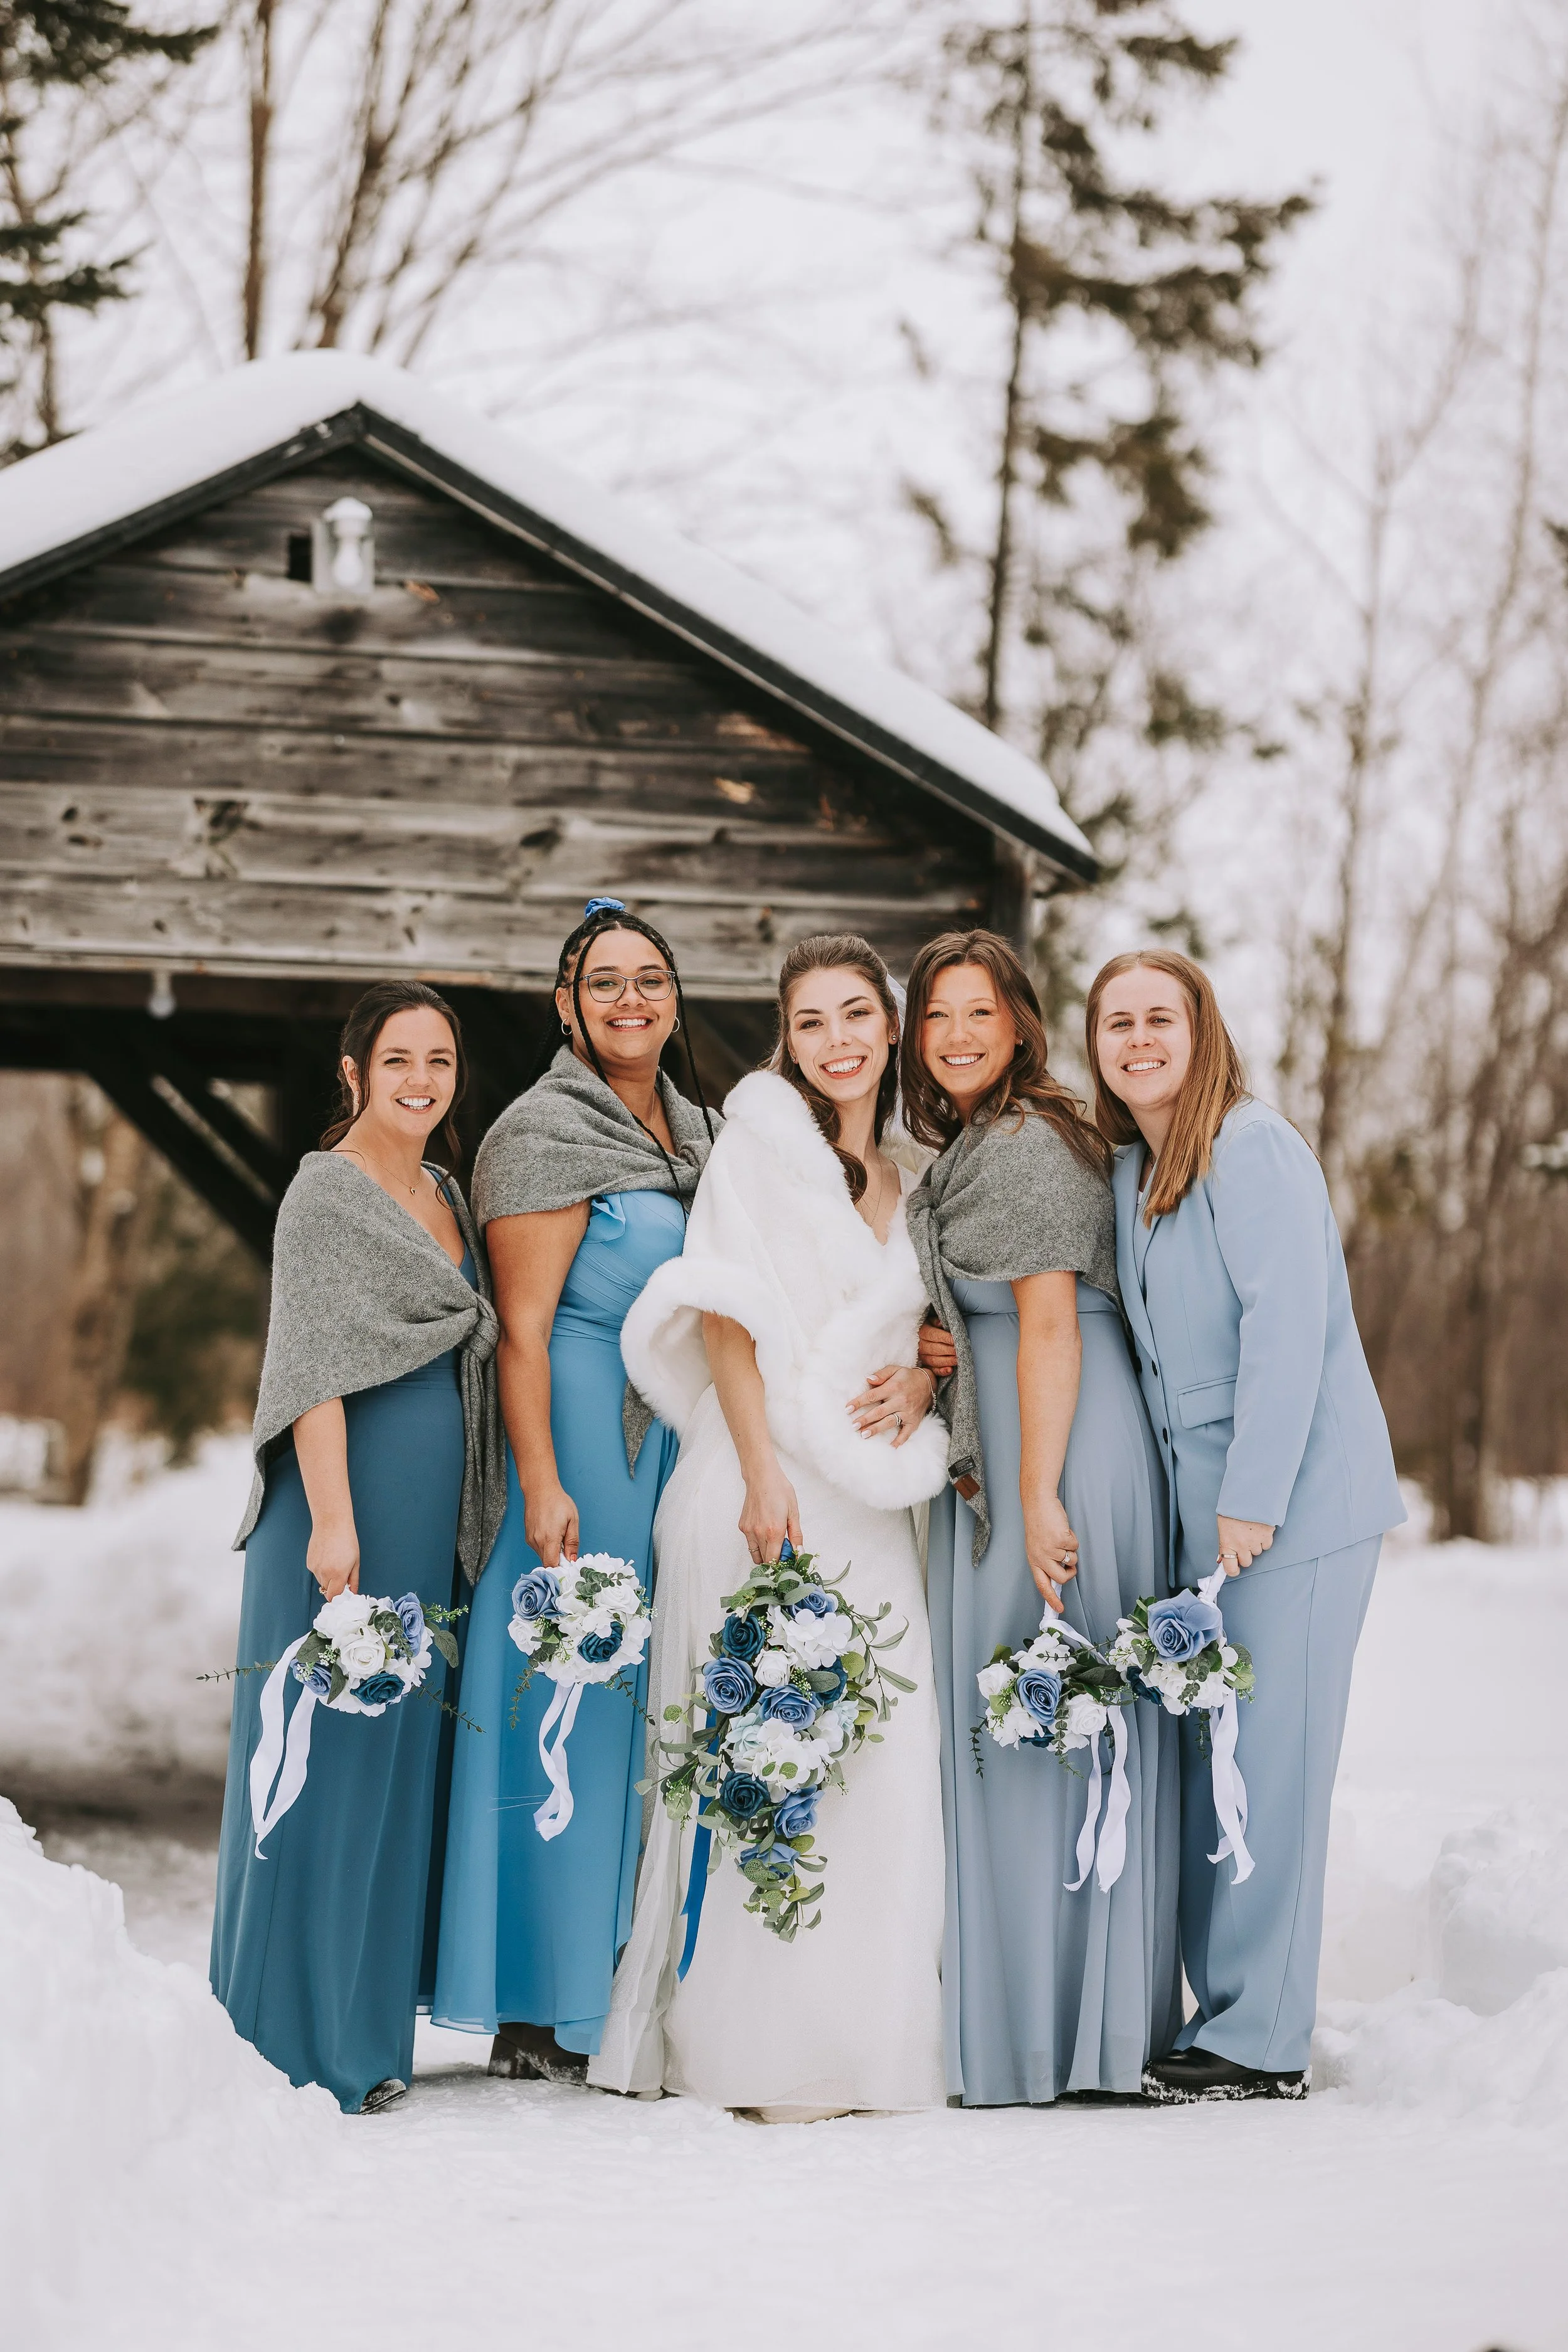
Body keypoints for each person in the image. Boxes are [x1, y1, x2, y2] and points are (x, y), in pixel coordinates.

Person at [589, 935, 948, 2119]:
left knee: (885, 1754)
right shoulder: (758, 1146)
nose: (839, 1040)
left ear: (891, 1032)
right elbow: (727, 1317)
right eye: (813, 1022)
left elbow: (922, 1334)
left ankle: (863, 2036)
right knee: (763, 1749)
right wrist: (757, 1470)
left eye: (859, 1016)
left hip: (873, 1490)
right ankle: (761, 2045)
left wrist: (927, 1383)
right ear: (785, 1040)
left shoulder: (916, 1168)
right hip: (768, 1480)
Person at [1086, 948, 1405, 2102]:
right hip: (1203, 1522)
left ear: (1200, 1028)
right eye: (1116, 1021)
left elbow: (1289, 1330)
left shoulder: (1251, 1144)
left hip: (1295, 1511)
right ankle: (1213, 2005)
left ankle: (1261, 2036)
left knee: (1271, 1765)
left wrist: (1252, 1500)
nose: (1137, 1039)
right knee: (1214, 1762)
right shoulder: (1133, 1172)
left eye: (1159, 1017)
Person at [432, 899, 718, 2082]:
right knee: (570, 1699)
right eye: (606, 983)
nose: (631, 1000)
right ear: (568, 1004)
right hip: (580, 1439)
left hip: (679, 1443)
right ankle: (538, 1999)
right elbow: (522, 1334)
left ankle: (631, 1976)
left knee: (653, 1706)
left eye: (650, 979)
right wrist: (542, 1482)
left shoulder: (701, 1134)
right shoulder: (538, 1133)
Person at [211, 981, 504, 2115]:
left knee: (391, 1765)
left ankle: (366, 2032)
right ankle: (284, 2039)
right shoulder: (324, 1193)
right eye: (398, 1061)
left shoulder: (445, 1188)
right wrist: (334, 1519)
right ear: (354, 1071)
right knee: (317, 1754)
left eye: (439, 1060)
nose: (422, 1079)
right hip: (345, 1500)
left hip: (429, 1504)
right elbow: (314, 1366)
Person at [906, 930, 1180, 2106]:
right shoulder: (984, 1137)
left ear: (1021, 1023)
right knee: (1032, 1720)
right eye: (938, 1016)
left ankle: (1056, 2032)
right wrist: (942, 1352)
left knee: (1043, 1711)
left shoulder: (1023, 1141)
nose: (959, 1035)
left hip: (1053, 1440)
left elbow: (1053, 1323)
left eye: (982, 1012)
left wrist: (1034, 1493)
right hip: (1024, 1420)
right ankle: (1044, 2019)